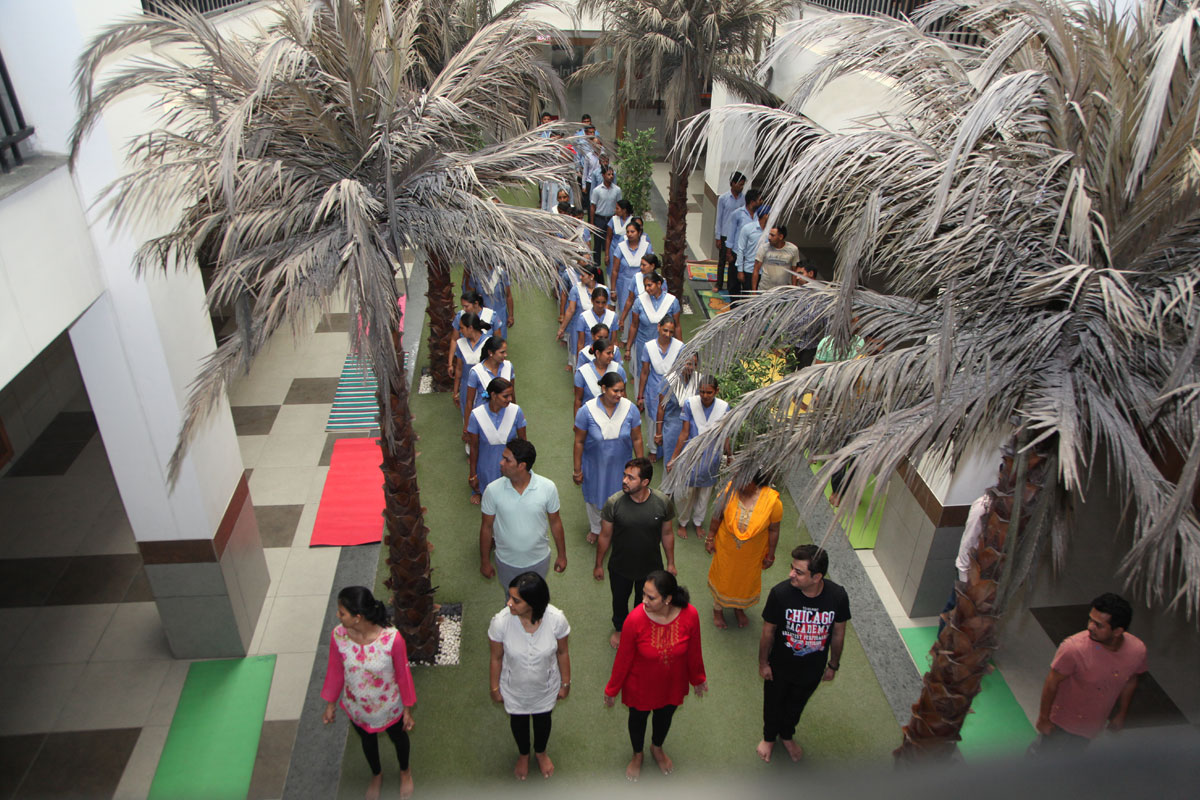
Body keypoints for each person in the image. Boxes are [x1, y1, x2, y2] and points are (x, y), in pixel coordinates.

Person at [603, 570, 706, 781]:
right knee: (637, 720)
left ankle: (657, 747)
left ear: (668, 599)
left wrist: (698, 679)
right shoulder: (634, 620)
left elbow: (694, 650)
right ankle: (637, 754)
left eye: (651, 597)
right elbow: (623, 659)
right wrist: (612, 689)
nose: (643, 601)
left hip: (672, 684)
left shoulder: (690, 615)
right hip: (640, 686)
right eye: (643, 594)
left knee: (664, 717)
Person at [322, 586, 417, 800]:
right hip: (357, 708)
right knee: (367, 740)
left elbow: (403, 675)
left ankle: (405, 771)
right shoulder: (338, 636)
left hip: (390, 707)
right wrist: (330, 704)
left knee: (399, 739)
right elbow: (335, 670)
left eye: (342, 613)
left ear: (358, 617)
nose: (337, 616)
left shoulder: (392, 639)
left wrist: (407, 709)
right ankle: (376, 774)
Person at [757, 545, 850, 763]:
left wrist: (833, 665)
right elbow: (768, 632)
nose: (791, 574)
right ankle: (769, 737)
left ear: (817, 577)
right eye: (792, 568)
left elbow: (838, 633)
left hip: (812, 670)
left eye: (798, 572)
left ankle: (786, 735)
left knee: (796, 706)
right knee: (773, 703)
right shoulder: (780, 594)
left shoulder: (837, 596)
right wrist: (763, 663)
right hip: (779, 667)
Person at [1033, 593, 1147, 752]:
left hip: (1091, 727)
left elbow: (1130, 681)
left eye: (1099, 625)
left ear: (1117, 631)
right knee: (1042, 757)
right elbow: (1052, 682)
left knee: (1071, 760)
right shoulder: (1073, 649)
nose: (1090, 627)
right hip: (1060, 723)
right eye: (1090, 620)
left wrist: (1121, 714)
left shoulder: (1137, 651)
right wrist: (1044, 718)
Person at [489, 572, 571, 780]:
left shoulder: (556, 620)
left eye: (516, 600)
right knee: (519, 722)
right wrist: (495, 688)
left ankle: (541, 752)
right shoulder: (500, 622)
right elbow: (496, 658)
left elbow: (563, 652)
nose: (509, 603)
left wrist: (565, 683)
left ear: (533, 602)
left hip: (546, 687)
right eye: (510, 597)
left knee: (543, 720)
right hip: (514, 688)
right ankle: (524, 754)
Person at [593, 458, 677, 648]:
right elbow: (605, 536)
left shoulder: (662, 502)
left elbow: (667, 533)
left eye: (631, 478)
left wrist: (671, 563)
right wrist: (598, 564)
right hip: (620, 567)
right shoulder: (613, 503)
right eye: (624, 476)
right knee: (619, 600)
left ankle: (641, 628)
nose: (624, 480)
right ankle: (620, 628)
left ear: (645, 482)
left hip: (651, 568)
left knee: (646, 602)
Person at [480, 440, 567, 588]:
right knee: (510, 597)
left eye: (507, 460)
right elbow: (486, 527)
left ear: (521, 466)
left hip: (539, 561)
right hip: (506, 562)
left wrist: (562, 555)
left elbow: (555, 522)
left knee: (536, 598)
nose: (501, 462)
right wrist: (485, 561)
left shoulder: (548, 487)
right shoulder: (492, 490)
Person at [705, 472, 782, 628]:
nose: (737, 483)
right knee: (723, 577)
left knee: (745, 581)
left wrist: (770, 555)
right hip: (726, 549)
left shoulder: (772, 502)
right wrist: (710, 538)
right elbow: (717, 515)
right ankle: (717, 609)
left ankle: (739, 608)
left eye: (743, 480)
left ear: (755, 482)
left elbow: (774, 530)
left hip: (752, 554)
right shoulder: (728, 492)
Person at [573, 373, 643, 543]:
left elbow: (637, 438)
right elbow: (579, 442)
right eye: (615, 391)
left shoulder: (630, 409)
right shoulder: (587, 411)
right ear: (604, 388)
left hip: (621, 466)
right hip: (594, 466)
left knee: (621, 498)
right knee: (594, 497)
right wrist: (577, 470)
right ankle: (596, 528)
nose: (620, 395)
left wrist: (641, 466)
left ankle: (617, 527)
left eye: (622, 391)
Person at [666, 375, 729, 538]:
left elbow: (725, 435)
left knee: (705, 493)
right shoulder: (690, 404)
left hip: (711, 457)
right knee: (686, 491)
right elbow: (684, 433)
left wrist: (729, 456)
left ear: (716, 391)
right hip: (691, 456)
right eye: (702, 392)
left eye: (709, 392)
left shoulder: (724, 408)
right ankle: (683, 522)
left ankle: (698, 522)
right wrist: (674, 458)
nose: (705, 396)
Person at [467, 377, 526, 504]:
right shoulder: (476, 415)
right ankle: (480, 492)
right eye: (505, 396)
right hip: (486, 466)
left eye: (511, 395)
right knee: (490, 501)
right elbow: (474, 447)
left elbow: (523, 443)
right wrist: (473, 475)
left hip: (511, 466)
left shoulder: (516, 411)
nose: (510, 399)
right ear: (493, 395)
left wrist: (524, 471)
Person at [636, 317, 683, 454]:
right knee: (652, 418)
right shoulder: (649, 347)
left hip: (672, 388)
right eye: (665, 330)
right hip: (653, 389)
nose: (667, 334)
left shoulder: (680, 347)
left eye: (671, 332)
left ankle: (668, 447)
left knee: (670, 418)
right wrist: (640, 395)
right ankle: (653, 449)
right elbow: (644, 372)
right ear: (658, 327)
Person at [612, 219, 652, 335]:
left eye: (632, 232)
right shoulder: (621, 247)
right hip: (624, 283)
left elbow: (651, 265)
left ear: (639, 233)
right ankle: (625, 336)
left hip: (642, 282)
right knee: (625, 306)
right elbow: (615, 270)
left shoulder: (646, 247)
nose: (629, 234)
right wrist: (613, 289)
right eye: (628, 232)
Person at [452, 312, 491, 422]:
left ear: (470, 328)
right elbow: (459, 369)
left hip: (484, 387)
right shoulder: (460, 344)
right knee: (468, 418)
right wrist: (455, 392)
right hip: (466, 388)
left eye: (462, 328)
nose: (460, 331)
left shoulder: (489, 342)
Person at [573, 337, 626, 416]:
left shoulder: (618, 369)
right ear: (598, 353)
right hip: (590, 417)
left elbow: (624, 397)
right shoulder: (582, 372)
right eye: (608, 353)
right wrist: (577, 422)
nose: (611, 356)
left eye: (612, 353)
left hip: (614, 417)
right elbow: (578, 400)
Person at [724, 189, 762, 297]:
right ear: (752, 202)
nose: (761, 202)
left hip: (751, 255)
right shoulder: (737, 214)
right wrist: (729, 253)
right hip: (737, 252)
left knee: (748, 285)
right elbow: (731, 233)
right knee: (734, 284)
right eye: (759, 200)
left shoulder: (760, 216)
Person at [447, 289, 495, 374]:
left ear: (476, 304)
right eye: (463, 306)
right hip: (464, 360)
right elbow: (454, 339)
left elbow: (497, 341)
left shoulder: (490, 315)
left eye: (466, 306)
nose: (464, 309)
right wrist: (450, 364)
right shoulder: (460, 316)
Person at [464, 336, 514, 417]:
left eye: (505, 352)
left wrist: (514, 414)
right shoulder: (476, 372)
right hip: (482, 417)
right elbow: (469, 402)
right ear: (490, 352)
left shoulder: (509, 366)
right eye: (502, 352)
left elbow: (512, 393)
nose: (505, 355)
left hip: (505, 416)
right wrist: (468, 423)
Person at [714, 171, 747, 292]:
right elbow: (719, 218)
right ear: (733, 183)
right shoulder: (723, 199)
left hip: (738, 235)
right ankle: (718, 284)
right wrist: (718, 236)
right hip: (725, 234)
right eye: (740, 184)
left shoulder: (744, 199)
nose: (741, 187)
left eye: (743, 185)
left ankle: (731, 285)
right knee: (722, 260)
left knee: (734, 261)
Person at [466, 266, 514, 341]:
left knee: (498, 343)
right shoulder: (475, 274)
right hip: (482, 318)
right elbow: (471, 297)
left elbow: (508, 296)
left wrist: (511, 316)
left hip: (500, 316)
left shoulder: (501, 273)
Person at [732, 198, 768, 300]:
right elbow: (741, 250)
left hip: (764, 272)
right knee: (747, 299)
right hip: (749, 269)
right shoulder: (748, 229)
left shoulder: (771, 232)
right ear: (766, 215)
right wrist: (740, 271)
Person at [751, 224, 802, 291]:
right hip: (765, 289)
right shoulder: (763, 248)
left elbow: (794, 272)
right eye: (769, 234)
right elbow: (756, 269)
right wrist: (754, 291)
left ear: (780, 237)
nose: (769, 237)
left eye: (772, 235)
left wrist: (793, 290)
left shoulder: (793, 249)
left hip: (783, 291)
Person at [590, 167, 622, 266]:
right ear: (603, 175)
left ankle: (611, 263)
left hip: (612, 219)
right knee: (597, 243)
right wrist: (592, 223)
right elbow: (593, 207)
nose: (611, 176)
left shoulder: (617, 190)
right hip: (599, 219)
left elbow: (619, 205)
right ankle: (597, 265)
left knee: (611, 242)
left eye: (612, 174)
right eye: (608, 174)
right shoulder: (597, 190)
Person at [576, 287, 617, 356]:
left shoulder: (612, 316)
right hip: (589, 355)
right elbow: (581, 343)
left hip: (606, 356)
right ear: (592, 300)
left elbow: (614, 341)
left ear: (607, 301)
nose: (600, 306)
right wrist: (580, 360)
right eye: (597, 302)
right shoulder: (583, 317)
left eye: (603, 302)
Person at [607, 198, 634, 278]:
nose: (615, 210)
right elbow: (608, 237)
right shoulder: (613, 220)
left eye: (617, 208)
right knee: (612, 270)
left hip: (627, 250)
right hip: (613, 249)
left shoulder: (632, 221)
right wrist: (607, 255)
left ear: (624, 210)